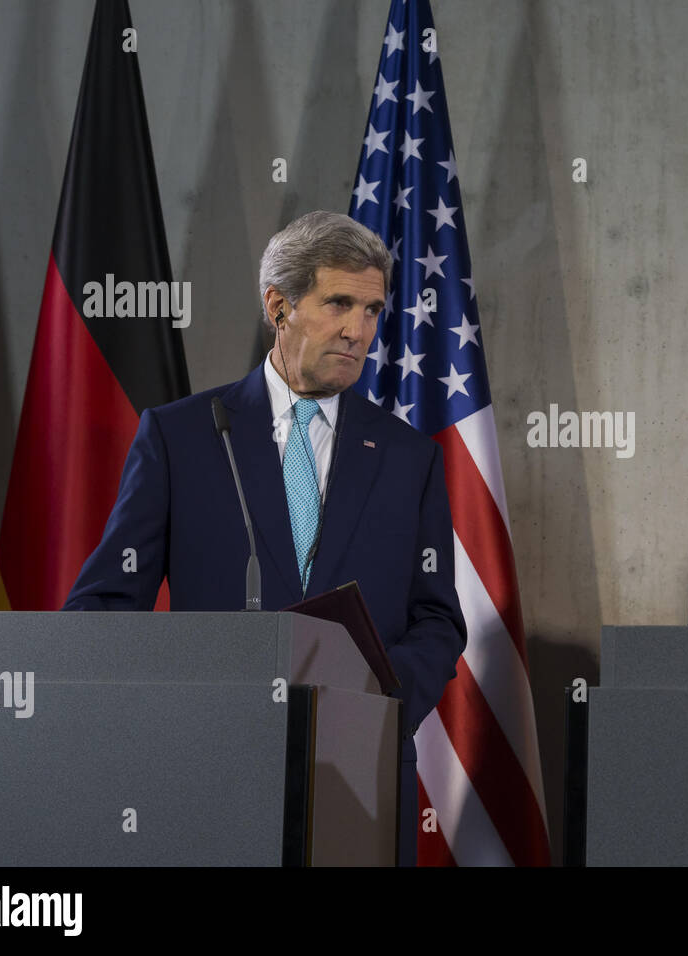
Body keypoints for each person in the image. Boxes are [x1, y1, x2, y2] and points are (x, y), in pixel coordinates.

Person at [64, 210, 467, 865]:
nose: (358, 330)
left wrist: (378, 701)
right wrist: (175, 707)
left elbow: (437, 620)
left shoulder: (408, 455)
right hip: (209, 773)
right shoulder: (183, 436)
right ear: (278, 306)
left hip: (357, 776)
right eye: (339, 303)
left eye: (371, 310)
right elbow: (102, 606)